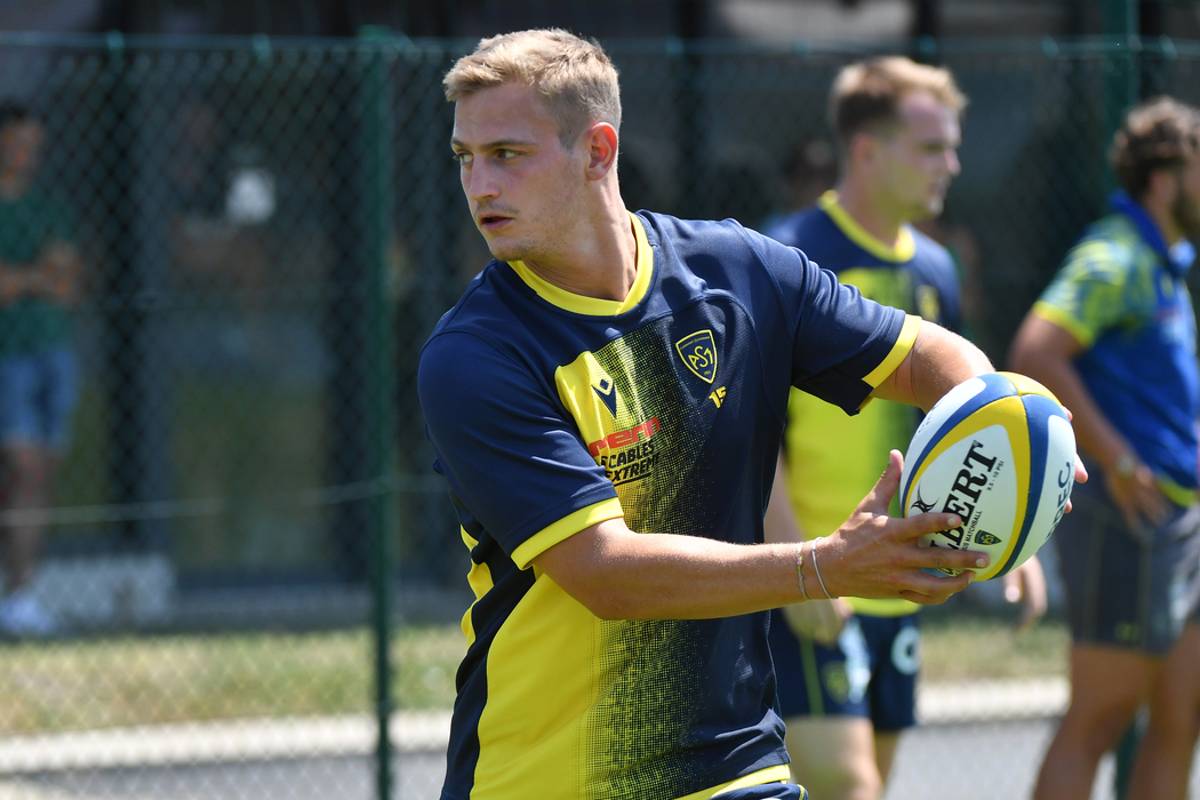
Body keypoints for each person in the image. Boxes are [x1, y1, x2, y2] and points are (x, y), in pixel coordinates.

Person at [419, 29, 1082, 800]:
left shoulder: (737, 274)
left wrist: (1012, 435)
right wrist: (822, 566)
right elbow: (606, 574)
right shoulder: (476, 355)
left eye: (508, 153)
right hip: (547, 780)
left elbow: (927, 359)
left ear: (598, 151)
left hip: (735, 765)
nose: (479, 186)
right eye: (466, 158)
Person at [760, 56, 1047, 800]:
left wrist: (1009, 538)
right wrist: (799, 563)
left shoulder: (938, 269)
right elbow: (744, 425)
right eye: (931, 147)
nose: (950, 165)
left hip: (903, 582)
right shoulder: (786, 257)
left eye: (951, 146)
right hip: (814, 580)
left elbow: (962, 423)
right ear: (866, 150)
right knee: (848, 788)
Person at [1009, 95, 1200, 800]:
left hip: (1179, 521)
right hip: (1123, 520)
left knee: (1181, 713)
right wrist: (1118, 460)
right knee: (1101, 715)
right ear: (1165, 176)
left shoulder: (1165, 263)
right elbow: (1035, 350)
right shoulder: (1113, 255)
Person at [0, 102, 82, 638]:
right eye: (19, 141)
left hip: (54, 352)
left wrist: (20, 278)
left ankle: (21, 596)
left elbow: (67, 284)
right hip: (7, 356)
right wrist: (40, 276)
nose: (29, 153)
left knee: (40, 476)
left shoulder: (52, 207)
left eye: (36, 142)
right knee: (19, 468)